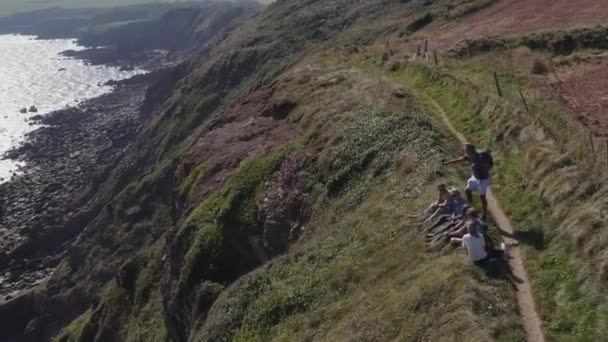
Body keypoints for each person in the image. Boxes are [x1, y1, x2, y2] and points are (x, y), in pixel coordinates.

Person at [444, 143, 493, 219]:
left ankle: (484, 214)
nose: (465, 151)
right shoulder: (468, 157)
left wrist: (483, 169)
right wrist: (446, 163)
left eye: (466, 150)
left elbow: (488, 165)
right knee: (467, 190)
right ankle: (472, 208)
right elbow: (459, 160)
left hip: (483, 179)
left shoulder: (481, 158)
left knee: (482, 197)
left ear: (471, 150)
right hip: (475, 177)